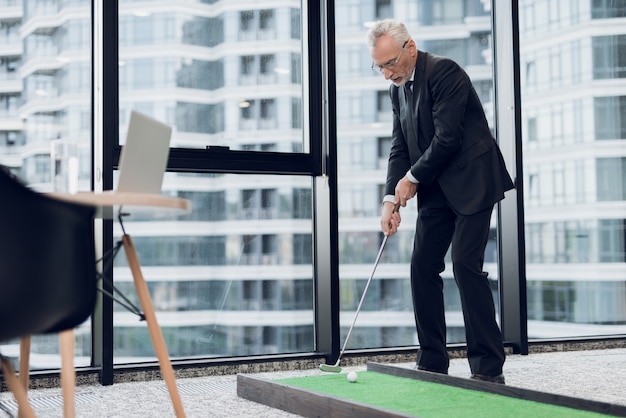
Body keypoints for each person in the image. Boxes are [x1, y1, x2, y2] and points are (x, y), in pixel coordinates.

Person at [367, 19, 515, 384]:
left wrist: (411, 180)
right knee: (421, 265)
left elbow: (448, 139)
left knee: (465, 265)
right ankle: (432, 361)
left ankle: (488, 368)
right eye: (380, 66)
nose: (386, 74)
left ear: (410, 48)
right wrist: (390, 199)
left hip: (472, 180)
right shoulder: (397, 90)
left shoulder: (445, 72)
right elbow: (400, 147)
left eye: (390, 64)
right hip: (435, 188)